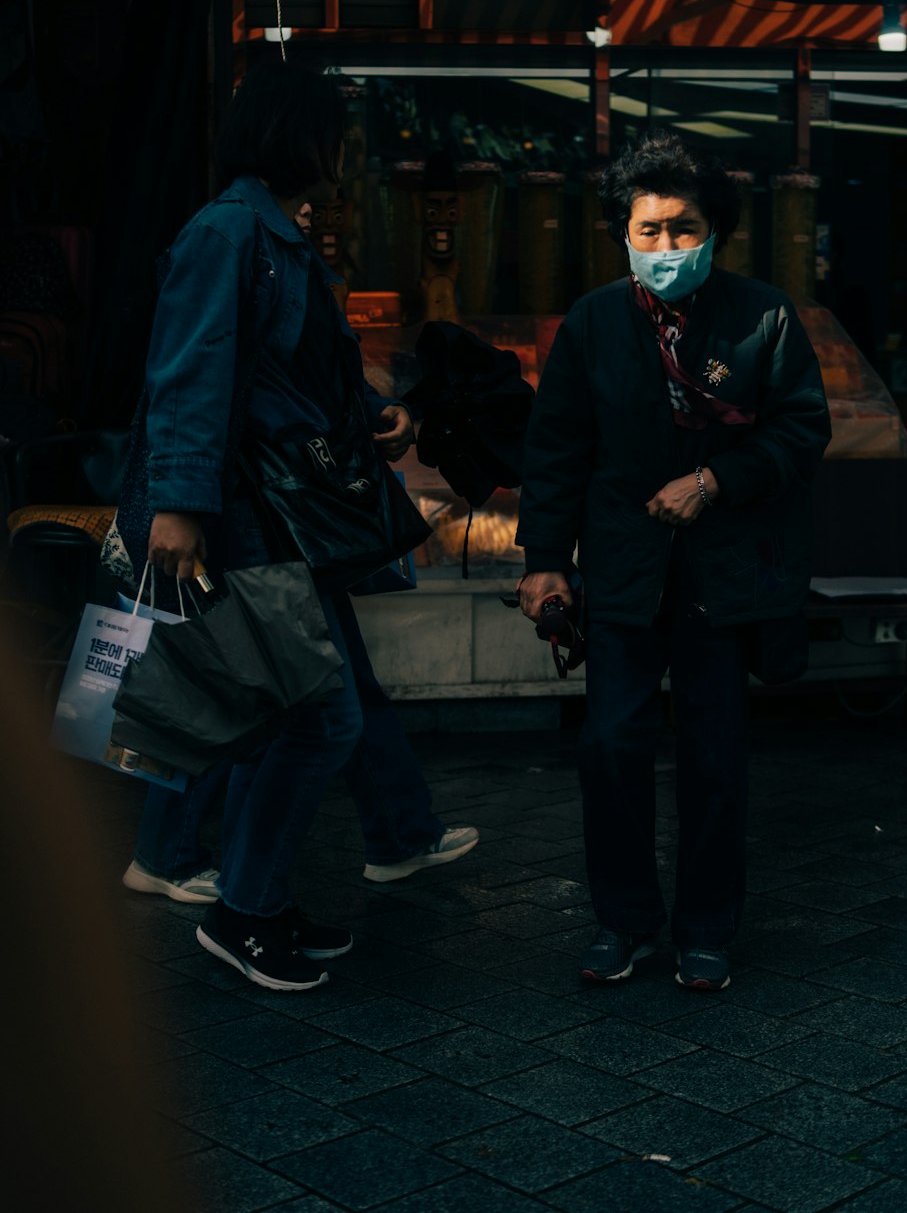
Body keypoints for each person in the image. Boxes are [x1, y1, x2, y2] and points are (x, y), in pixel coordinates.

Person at [113, 63, 476, 990]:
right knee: (320, 719)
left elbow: (289, 373)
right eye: (335, 136)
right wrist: (181, 509)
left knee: (294, 717)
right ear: (298, 137)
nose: (342, 156)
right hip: (242, 523)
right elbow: (189, 373)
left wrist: (375, 410)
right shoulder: (230, 232)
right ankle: (244, 910)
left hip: (273, 525)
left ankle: (255, 901)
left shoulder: (275, 238)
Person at [515, 131, 830, 991]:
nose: (665, 246)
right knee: (611, 746)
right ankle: (622, 921)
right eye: (648, 230)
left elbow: (804, 430)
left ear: (714, 230)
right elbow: (557, 448)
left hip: (725, 574)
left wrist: (714, 481)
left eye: (682, 229)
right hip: (622, 568)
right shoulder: (590, 323)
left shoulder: (763, 316)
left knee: (714, 755)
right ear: (624, 232)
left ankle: (705, 927)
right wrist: (545, 558)